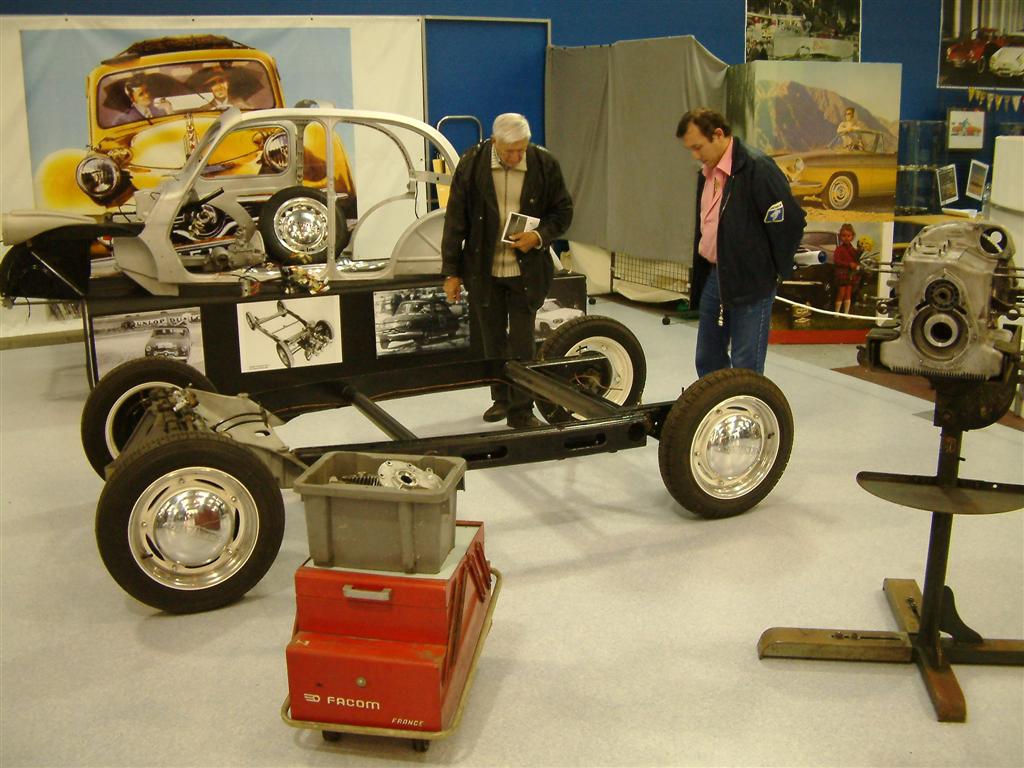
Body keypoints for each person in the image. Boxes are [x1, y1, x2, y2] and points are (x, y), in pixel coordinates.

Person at [441, 113, 573, 428]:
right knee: (492, 340)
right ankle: (500, 398)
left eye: (521, 150)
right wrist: (451, 272)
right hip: (483, 271)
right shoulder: (471, 164)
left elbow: (563, 212)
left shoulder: (544, 164)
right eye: (509, 151)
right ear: (494, 142)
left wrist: (538, 236)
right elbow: (456, 219)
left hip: (526, 272)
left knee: (523, 343)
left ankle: (521, 410)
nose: (516, 157)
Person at [677, 108, 806, 377]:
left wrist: (772, 271)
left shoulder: (758, 168)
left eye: (698, 147)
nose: (695, 155)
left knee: (745, 364)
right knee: (708, 357)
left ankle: (746, 404)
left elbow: (790, 222)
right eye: (690, 149)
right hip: (715, 276)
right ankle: (716, 402)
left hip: (752, 282)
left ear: (718, 134)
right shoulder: (706, 172)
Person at [832, 223, 861, 315]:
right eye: (844, 236)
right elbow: (836, 261)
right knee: (841, 292)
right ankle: (837, 312)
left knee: (848, 292)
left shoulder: (852, 249)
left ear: (852, 237)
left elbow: (856, 257)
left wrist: (860, 250)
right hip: (842, 273)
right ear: (840, 237)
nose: (846, 238)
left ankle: (846, 312)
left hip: (850, 274)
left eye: (848, 236)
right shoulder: (839, 249)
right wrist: (849, 264)